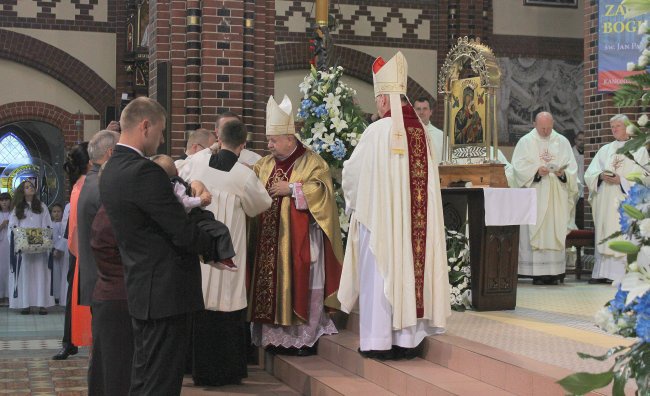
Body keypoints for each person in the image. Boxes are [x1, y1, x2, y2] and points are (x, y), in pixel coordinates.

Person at [99, 97, 219, 395]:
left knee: (144, 376)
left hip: (143, 288)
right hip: (165, 294)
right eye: (161, 131)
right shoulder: (144, 172)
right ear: (145, 126)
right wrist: (215, 243)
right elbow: (180, 229)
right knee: (162, 382)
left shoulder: (112, 168)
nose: (162, 139)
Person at [339, 51, 450, 359]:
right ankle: (408, 341)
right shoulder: (425, 134)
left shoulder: (375, 131)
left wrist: (354, 204)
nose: (378, 105)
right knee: (412, 271)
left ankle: (378, 341)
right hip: (418, 226)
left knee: (381, 272)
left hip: (382, 223)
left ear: (385, 100)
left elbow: (352, 173)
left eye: (378, 100)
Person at [178, 118, 272, 385]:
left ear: (219, 138)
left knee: (199, 302)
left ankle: (192, 367)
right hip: (227, 251)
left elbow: (180, 187)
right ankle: (226, 372)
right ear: (243, 144)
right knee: (227, 305)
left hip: (199, 248)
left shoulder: (196, 163)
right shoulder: (243, 175)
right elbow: (260, 205)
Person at [248, 95, 343, 355]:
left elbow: (322, 191)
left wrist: (291, 189)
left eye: (274, 140)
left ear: (290, 139)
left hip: (302, 242)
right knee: (274, 289)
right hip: (270, 245)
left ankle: (303, 340)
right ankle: (276, 339)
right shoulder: (264, 164)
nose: (269, 145)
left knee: (301, 285)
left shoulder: (312, 162)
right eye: (268, 139)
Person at [511, 112, 578, 285]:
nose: (546, 131)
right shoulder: (525, 141)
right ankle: (536, 273)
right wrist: (536, 172)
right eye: (542, 128)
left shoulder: (562, 141)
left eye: (549, 127)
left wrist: (563, 174)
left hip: (557, 196)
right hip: (535, 194)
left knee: (554, 229)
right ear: (535, 124)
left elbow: (572, 169)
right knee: (536, 230)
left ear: (553, 124)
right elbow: (517, 168)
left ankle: (555, 272)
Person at [585, 115, 648, 284]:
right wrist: (600, 176)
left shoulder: (638, 150)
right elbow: (590, 173)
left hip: (625, 201)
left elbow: (645, 176)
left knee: (623, 235)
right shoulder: (605, 150)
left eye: (618, 126)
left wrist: (622, 181)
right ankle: (602, 272)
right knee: (606, 233)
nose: (614, 129)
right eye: (612, 127)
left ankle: (623, 274)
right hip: (606, 201)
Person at [88, 204, 134, 396]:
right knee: (117, 370)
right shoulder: (113, 215)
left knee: (106, 367)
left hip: (107, 295)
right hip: (118, 296)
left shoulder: (106, 212)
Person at [53, 142, 89, 360]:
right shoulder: (84, 185)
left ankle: (71, 341)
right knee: (74, 294)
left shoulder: (80, 185)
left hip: (81, 248)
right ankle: (70, 340)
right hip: (84, 249)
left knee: (75, 294)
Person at [77, 130, 120, 308]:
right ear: (111, 153)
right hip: (107, 280)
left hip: (97, 277)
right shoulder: (103, 185)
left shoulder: (90, 180)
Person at [8, 180, 54, 315]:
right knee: (25, 276)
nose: (30, 188)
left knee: (41, 274)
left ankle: (42, 304)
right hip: (24, 248)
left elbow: (47, 225)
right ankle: (25, 304)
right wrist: (22, 236)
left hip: (39, 247)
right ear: (22, 191)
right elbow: (13, 226)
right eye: (27, 187)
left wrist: (40, 237)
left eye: (32, 186)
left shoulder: (42, 206)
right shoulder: (18, 208)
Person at [413, 97, 444, 163]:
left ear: (431, 112)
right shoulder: (407, 133)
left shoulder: (441, 136)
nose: (421, 112)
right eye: (418, 109)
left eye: (425, 109)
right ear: (413, 112)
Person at [50, 203, 68, 305]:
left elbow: (64, 237)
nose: (56, 214)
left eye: (58, 211)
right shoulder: (50, 224)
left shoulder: (64, 224)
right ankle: (55, 295)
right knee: (55, 274)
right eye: (54, 212)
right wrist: (53, 249)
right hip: (53, 253)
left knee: (62, 274)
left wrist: (60, 248)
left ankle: (61, 296)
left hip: (63, 253)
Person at [573, 131, 586, 228]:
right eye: (580, 140)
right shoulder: (571, 154)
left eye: (584, 140)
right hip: (575, 189)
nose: (582, 142)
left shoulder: (589, 154)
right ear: (575, 140)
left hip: (586, 189)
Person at [0, 193, 11, 303]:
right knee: (1, 270)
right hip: (1, 246)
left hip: (10, 246)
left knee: (9, 269)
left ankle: (8, 294)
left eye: (6, 200)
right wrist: (2, 225)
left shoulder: (13, 214)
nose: (4, 202)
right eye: (2, 200)